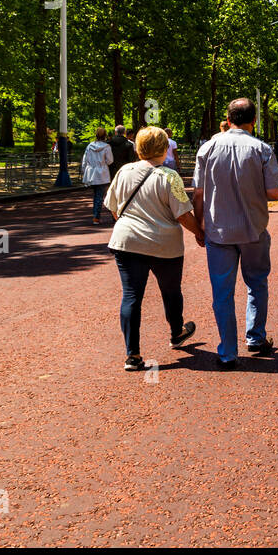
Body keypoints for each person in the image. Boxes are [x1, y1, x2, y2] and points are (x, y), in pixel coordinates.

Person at [192, 98, 278, 368]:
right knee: (256, 283)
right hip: (253, 229)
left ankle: (227, 352)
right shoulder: (262, 149)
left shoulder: (207, 148)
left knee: (222, 292)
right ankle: (255, 337)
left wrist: (200, 225)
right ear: (253, 120)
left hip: (218, 231)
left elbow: (198, 193)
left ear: (228, 118)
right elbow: (274, 191)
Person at [105, 125, 201, 372]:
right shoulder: (170, 176)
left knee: (131, 295)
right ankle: (176, 331)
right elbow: (183, 215)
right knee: (170, 291)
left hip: (126, 241)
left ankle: (132, 355)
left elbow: (114, 208)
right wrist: (200, 233)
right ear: (164, 148)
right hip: (164, 244)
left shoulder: (124, 171)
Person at [80, 127, 114, 223]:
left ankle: (96, 216)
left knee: (96, 195)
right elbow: (110, 161)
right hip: (102, 173)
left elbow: (85, 160)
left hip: (91, 173)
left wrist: (84, 171)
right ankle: (97, 216)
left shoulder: (89, 146)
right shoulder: (107, 147)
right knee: (100, 195)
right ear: (105, 136)